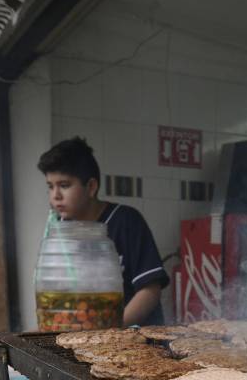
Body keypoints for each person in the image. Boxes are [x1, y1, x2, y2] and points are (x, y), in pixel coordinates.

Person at [38, 137, 169, 326]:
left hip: (134, 335)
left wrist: (111, 332)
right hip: (84, 334)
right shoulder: (60, 230)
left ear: (91, 187)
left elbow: (150, 291)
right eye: (50, 187)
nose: (55, 196)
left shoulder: (126, 221)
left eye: (64, 185)